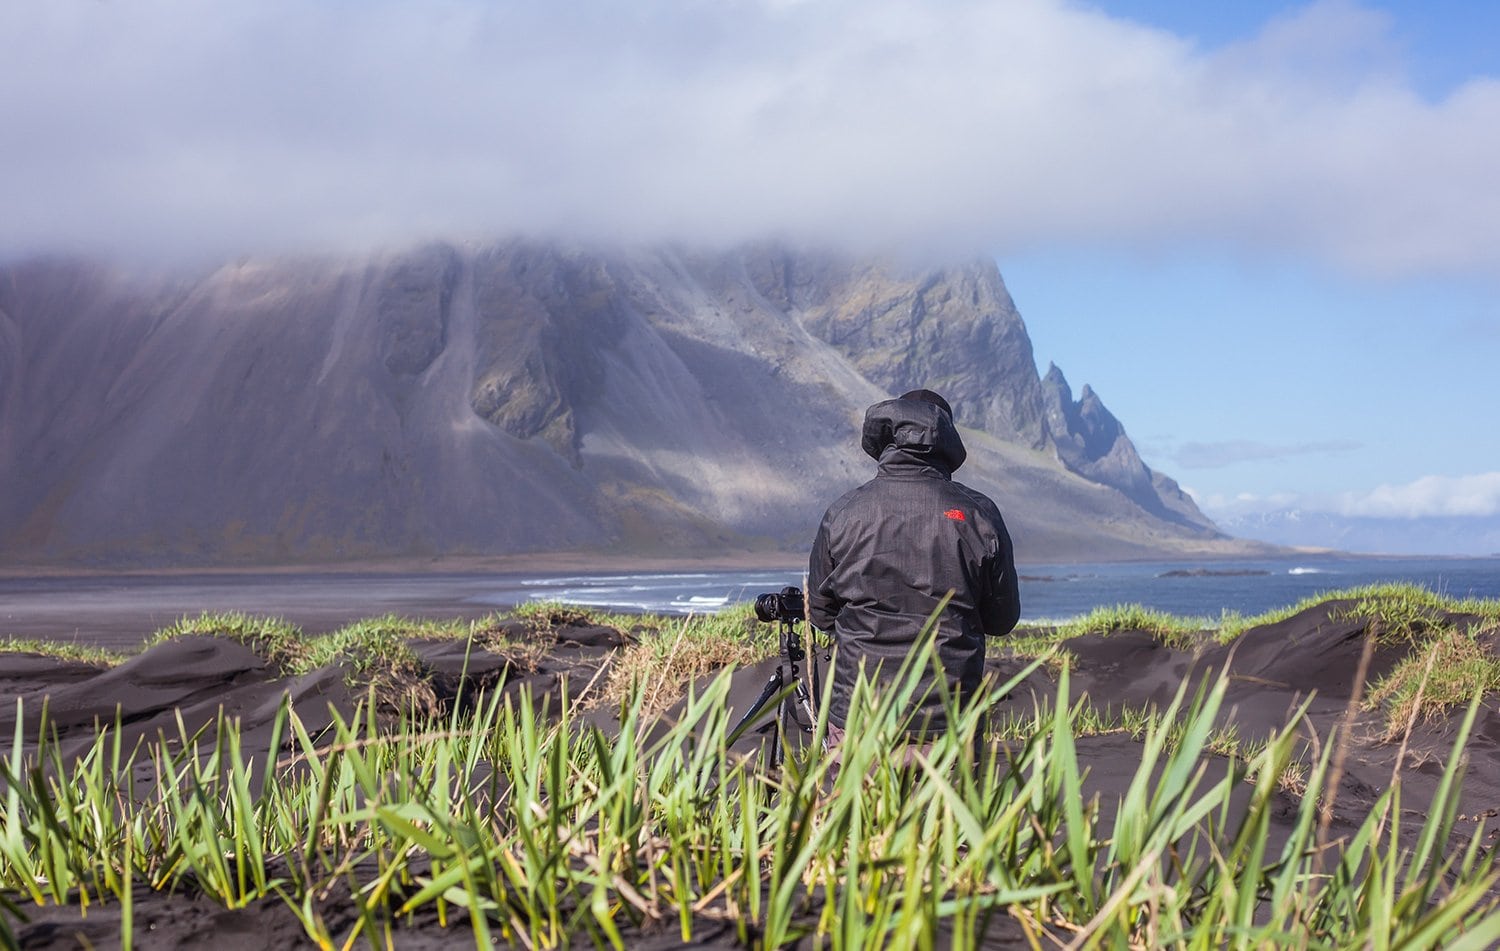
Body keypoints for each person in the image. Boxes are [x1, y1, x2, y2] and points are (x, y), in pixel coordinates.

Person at [808, 389, 1020, 748]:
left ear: (887, 434)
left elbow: (820, 613)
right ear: (948, 437)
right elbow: (1002, 620)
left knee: (858, 806)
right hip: (949, 721)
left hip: (859, 718)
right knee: (950, 806)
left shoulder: (843, 512)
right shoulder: (979, 513)